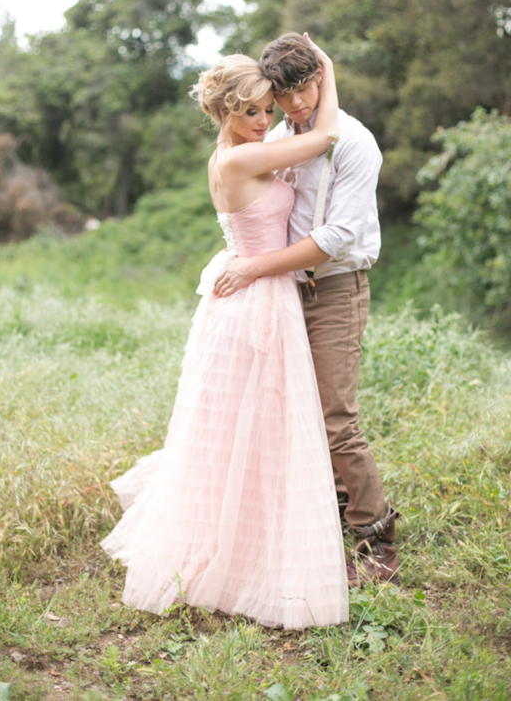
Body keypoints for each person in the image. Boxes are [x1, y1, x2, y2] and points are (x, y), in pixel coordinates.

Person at [101, 42, 349, 629]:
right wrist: (329, 72)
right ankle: (232, 563)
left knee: (258, 428)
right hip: (255, 299)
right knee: (242, 429)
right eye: (252, 113)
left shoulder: (248, 151)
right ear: (223, 114)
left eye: (268, 109)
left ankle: (250, 548)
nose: (265, 121)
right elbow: (326, 136)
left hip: (258, 288)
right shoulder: (239, 162)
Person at [214, 32, 400, 586]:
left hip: (336, 286)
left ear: (321, 78)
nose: (295, 105)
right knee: (296, 415)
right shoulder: (276, 134)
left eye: (304, 89)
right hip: (286, 290)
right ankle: (335, 517)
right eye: (284, 95)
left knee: (336, 420)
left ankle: (377, 537)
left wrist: (252, 266)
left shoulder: (353, 143)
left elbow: (337, 236)